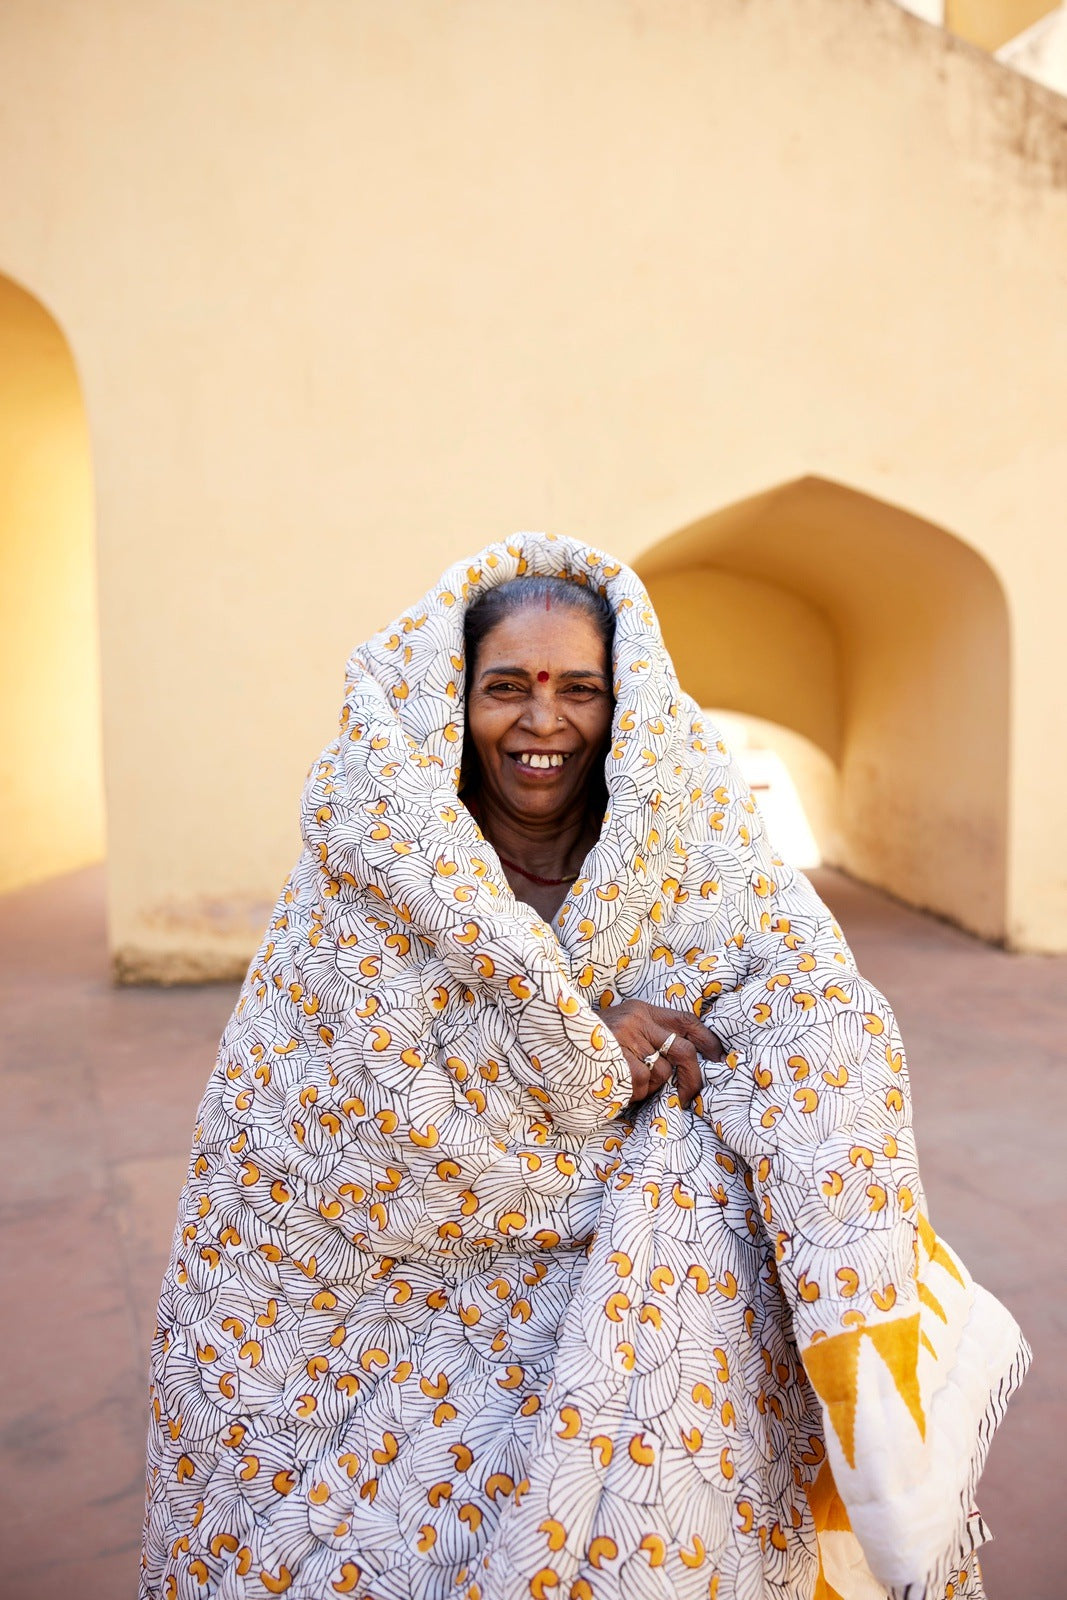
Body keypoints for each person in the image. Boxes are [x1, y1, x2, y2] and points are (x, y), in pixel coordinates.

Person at [142, 533, 1028, 1600]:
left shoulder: (683, 836)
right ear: (449, 700)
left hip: (621, 1249)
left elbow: (807, 985)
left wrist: (725, 1080)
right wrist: (580, 1042)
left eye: (578, 690)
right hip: (408, 1286)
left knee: (713, 1209)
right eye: (504, 687)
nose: (541, 722)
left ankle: (878, 1422)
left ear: (625, 705)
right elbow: (343, 1106)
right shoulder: (377, 867)